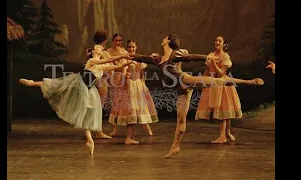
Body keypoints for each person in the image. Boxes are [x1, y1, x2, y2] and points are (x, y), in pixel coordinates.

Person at [128, 33, 264, 158]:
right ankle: (175, 146)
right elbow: (141, 57)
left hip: (185, 80)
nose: (162, 39)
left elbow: (190, 57)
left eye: (165, 37)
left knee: (218, 81)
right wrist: (125, 56)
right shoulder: (158, 59)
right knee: (181, 120)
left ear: (168, 41)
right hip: (182, 91)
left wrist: (207, 57)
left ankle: (249, 82)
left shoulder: (175, 54)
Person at [19, 45, 133, 155]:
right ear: (93, 52)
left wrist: (128, 62)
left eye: (100, 47)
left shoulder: (101, 66)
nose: (100, 47)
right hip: (80, 85)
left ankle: (89, 140)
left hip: (89, 90)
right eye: (97, 47)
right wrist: (123, 57)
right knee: (57, 85)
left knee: (86, 115)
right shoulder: (92, 61)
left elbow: (113, 66)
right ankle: (33, 83)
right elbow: (110, 59)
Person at [108, 39, 159, 144]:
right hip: (129, 85)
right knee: (131, 110)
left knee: (139, 109)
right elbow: (124, 71)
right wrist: (125, 76)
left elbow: (141, 74)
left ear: (136, 47)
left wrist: (143, 85)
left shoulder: (139, 58)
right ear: (127, 48)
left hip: (138, 85)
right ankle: (129, 137)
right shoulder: (126, 59)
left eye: (133, 47)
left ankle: (137, 132)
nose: (131, 49)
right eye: (129, 47)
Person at [195, 36, 242, 143]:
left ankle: (224, 135)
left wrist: (215, 63)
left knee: (224, 111)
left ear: (224, 44)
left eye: (219, 41)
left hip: (222, 85)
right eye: (216, 40)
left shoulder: (225, 56)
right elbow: (208, 70)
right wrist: (201, 80)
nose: (217, 42)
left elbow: (221, 73)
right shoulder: (211, 55)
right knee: (221, 111)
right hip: (213, 84)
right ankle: (225, 134)